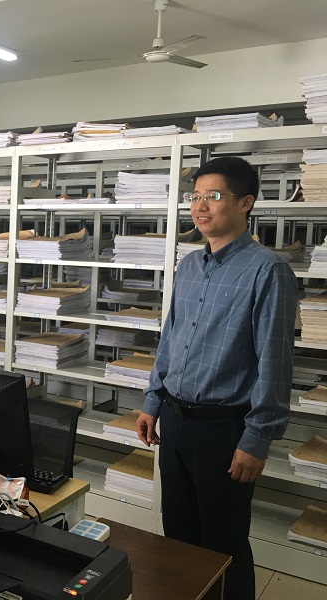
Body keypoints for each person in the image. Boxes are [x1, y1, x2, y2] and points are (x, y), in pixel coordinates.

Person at [136, 156, 298, 600]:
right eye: (195, 196)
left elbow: (275, 361)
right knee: (178, 536)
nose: (200, 206)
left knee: (224, 544)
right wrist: (153, 401)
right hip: (175, 421)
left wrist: (257, 438)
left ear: (246, 203)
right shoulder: (189, 265)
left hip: (225, 430)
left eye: (213, 196)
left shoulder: (268, 270)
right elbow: (170, 339)